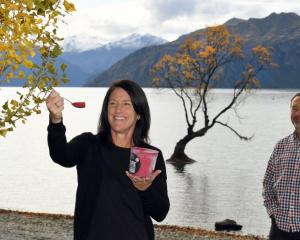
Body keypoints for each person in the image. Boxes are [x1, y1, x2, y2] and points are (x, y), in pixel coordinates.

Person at [46, 79, 170, 240]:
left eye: (126, 104)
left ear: (139, 113)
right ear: (106, 110)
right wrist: (56, 120)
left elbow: (160, 212)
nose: (118, 110)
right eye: (113, 103)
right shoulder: (89, 145)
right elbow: (60, 155)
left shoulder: (146, 155)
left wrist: (145, 189)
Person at [263, 93, 300, 240]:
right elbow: (267, 183)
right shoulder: (281, 146)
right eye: (294, 108)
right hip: (278, 228)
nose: (297, 114)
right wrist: (273, 213)